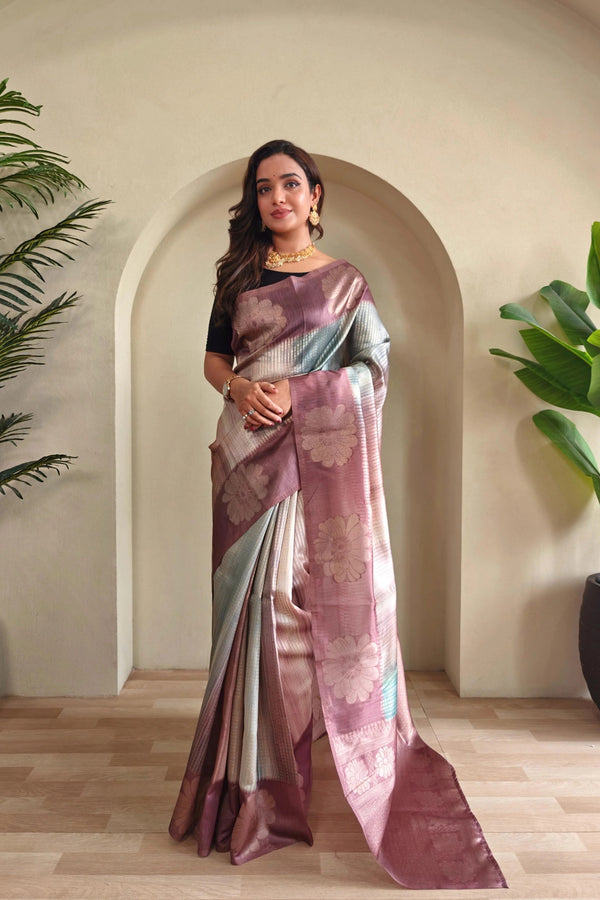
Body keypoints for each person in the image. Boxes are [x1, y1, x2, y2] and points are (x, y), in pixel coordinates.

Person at [169, 139, 506, 890]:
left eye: (291, 184)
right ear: (255, 201)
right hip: (242, 463)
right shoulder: (239, 277)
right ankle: (243, 781)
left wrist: (303, 392)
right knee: (245, 612)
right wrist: (238, 392)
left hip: (310, 461)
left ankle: (276, 785)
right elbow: (214, 359)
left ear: (315, 195)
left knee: (285, 611)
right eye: (264, 188)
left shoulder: (346, 283)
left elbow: (375, 367)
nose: (278, 198)